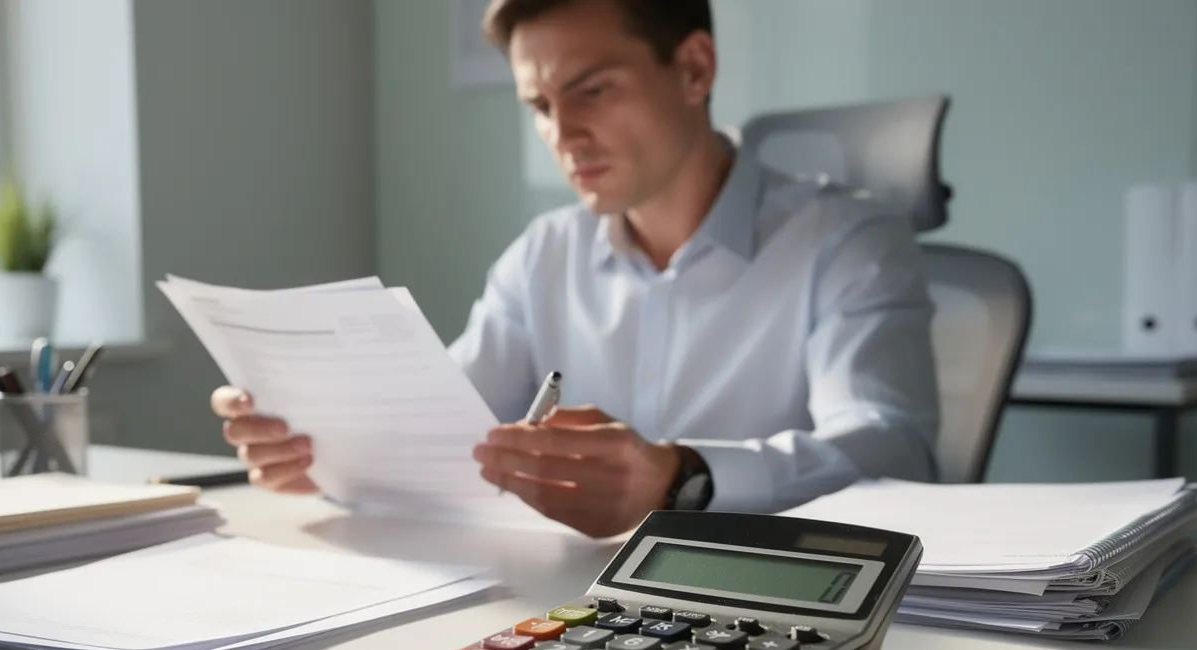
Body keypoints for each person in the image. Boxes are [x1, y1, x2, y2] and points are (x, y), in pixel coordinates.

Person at [211, 0, 940, 539]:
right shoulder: (543, 254)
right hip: (576, 609)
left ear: (693, 69)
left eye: (591, 91)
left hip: (773, 613)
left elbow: (890, 447)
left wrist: (681, 477)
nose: (564, 135)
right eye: (539, 105)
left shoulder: (849, 240)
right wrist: (331, 458)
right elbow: (448, 426)